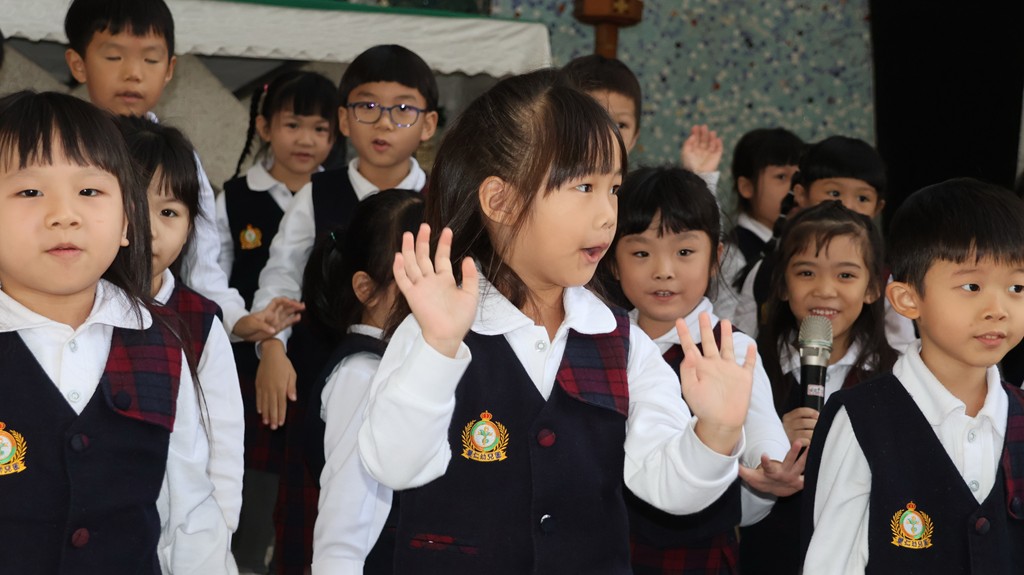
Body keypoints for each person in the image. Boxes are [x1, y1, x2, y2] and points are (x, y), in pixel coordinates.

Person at [358, 68, 755, 573]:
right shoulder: (437, 324)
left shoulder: (621, 341)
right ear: (501, 201)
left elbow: (668, 485)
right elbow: (393, 463)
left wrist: (717, 431)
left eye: (614, 188)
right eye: (584, 186)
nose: (608, 215)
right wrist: (437, 347)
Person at [0, 90, 234, 573]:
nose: (65, 214)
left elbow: (189, 512)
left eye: (89, 191)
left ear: (128, 221)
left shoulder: (163, 342)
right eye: (30, 192)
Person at [251, 44, 438, 573]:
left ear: (428, 125)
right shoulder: (318, 193)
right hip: (322, 374)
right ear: (344, 119)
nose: (384, 122)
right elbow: (280, 275)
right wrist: (271, 347)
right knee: (316, 515)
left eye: (403, 109)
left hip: (415, 376)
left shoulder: (442, 197)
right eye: (367, 106)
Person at [802, 178, 1024, 573]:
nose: (998, 309)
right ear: (907, 299)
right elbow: (832, 563)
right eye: (971, 285)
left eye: (1017, 286)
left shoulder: (1019, 411)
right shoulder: (862, 419)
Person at [62, 0, 297, 343]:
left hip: (155, 328)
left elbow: (202, 264)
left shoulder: (180, 157)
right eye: (113, 57)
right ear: (78, 64)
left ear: (170, 69)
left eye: (150, 60)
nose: (133, 73)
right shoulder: (60, 149)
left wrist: (236, 320)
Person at [603, 166, 801, 574]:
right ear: (612, 262)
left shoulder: (732, 348)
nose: (664, 270)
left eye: (684, 252)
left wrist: (771, 467)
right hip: (604, 552)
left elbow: (761, 433)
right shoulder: (600, 344)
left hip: (696, 559)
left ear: (716, 258)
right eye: (641, 253)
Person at [217, 69, 337, 575]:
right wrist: (253, 332)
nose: (306, 140)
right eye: (293, 125)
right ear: (265, 127)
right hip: (248, 362)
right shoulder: (235, 195)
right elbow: (212, 274)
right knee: (253, 469)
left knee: (306, 480)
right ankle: (243, 560)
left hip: (314, 362)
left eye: (320, 129)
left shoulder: (336, 194)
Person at [739, 200, 898, 575]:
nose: (825, 290)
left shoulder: (896, 376)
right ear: (782, 284)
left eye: (845, 275)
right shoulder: (749, 367)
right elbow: (726, 495)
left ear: (873, 288)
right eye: (806, 272)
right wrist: (770, 442)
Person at [119, 115, 247, 539]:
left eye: (169, 212)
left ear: (191, 226)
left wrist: (222, 529)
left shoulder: (200, 322)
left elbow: (224, 437)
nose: (150, 229)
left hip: (187, 539)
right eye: (131, 205)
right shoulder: (74, 305)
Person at [305, 190, 424, 575]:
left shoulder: (399, 362)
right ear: (366, 289)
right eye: (414, 279)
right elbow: (346, 515)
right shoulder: (362, 374)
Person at [746, 135, 915, 349]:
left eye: (862, 198)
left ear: (878, 207)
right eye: (834, 193)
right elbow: (739, 336)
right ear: (800, 194)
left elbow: (902, 347)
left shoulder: (885, 279)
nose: (846, 206)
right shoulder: (764, 270)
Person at [560, 54, 723, 191]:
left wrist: (701, 179)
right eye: (593, 120)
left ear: (634, 138)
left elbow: (696, 220)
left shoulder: (641, 198)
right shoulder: (550, 189)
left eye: (620, 125)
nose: (608, 134)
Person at [714, 127, 804, 335]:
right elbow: (728, 328)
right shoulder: (733, 253)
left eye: (798, 177)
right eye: (781, 177)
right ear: (746, 187)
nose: (794, 189)